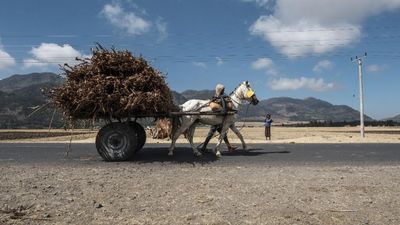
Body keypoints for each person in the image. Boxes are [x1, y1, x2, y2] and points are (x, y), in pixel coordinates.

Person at [200, 84, 237, 152]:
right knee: (211, 134)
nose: (223, 91)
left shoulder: (221, 97)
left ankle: (229, 147)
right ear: (220, 90)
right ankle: (204, 147)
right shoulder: (216, 98)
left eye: (223, 89)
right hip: (215, 120)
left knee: (222, 135)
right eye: (223, 89)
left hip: (219, 120)